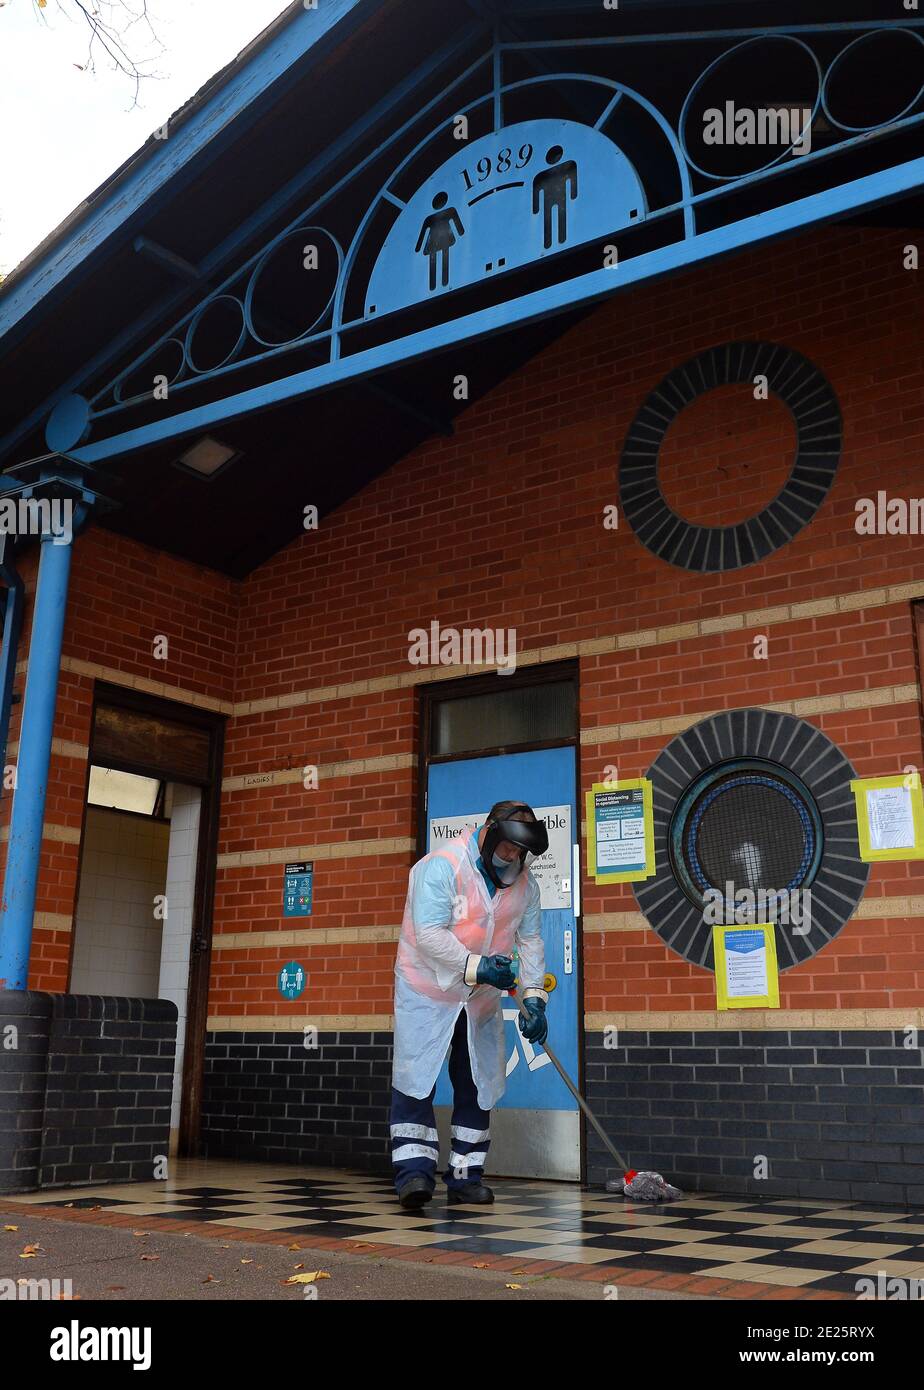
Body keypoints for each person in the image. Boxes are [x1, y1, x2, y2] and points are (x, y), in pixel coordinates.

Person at [390, 800, 550, 1209]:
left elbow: (529, 942)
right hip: (427, 990)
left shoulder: (526, 886)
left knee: (478, 1083)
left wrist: (534, 999)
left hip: (479, 999)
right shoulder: (441, 867)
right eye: (509, 848)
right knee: (417, 1079)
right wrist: (477, 965)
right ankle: (414, 1176)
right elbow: (427, 933)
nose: (514, 858)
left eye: (521, 853)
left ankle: (464, 1177)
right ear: (491, 833)